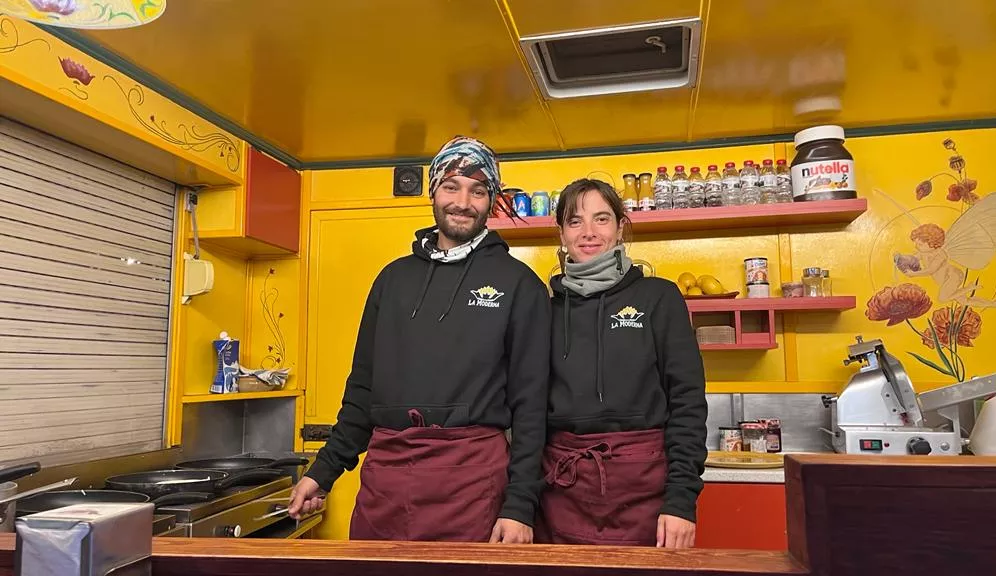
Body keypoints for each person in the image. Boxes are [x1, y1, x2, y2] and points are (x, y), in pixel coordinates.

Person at [288, 136, 551, 544]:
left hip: (471, 483)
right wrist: (323, 471)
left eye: (478, 191)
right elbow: (362, 390)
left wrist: (519, 505)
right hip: (386, 481)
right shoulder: (392, 280)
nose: (463, 202)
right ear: (433, 192)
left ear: (491, 201)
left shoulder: (520, 285)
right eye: (451, 186)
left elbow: (531, 408)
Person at [536, 178, 708, 548]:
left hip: (646, 489)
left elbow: (687, 402)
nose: (588, 232)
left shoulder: (659, 297)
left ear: (620, 227)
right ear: (561, 233)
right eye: (575, 221)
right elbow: (529, 412)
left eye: (601, 219)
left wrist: (681, 500)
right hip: (561, 490)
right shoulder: (545, 310)